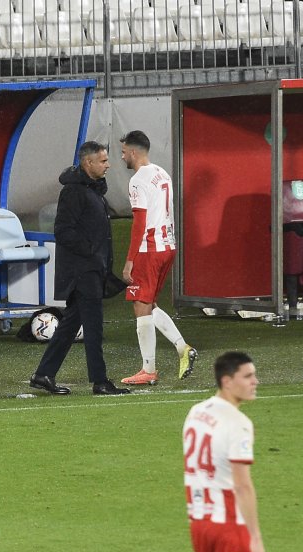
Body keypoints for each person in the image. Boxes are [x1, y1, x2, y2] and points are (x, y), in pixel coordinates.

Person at [181, 351, 264, 552]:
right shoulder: (238, 424)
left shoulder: (196, 412)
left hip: (199, 523)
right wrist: (255, 538)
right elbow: (242, 486)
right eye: (247, 376)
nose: (255, 381)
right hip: (228, 526)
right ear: (227, 381)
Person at [29, 141, 130, 396]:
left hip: (91, 269)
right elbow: (63, 231)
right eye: (103, 161)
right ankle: (100, 382)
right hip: (83, 271)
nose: (108, 165)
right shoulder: (75, 192)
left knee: (69, 325)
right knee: (94, 328)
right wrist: (91, 252)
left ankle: (44, 374)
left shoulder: (92, 190)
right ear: (88, 163)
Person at [116, 130, 198, 386]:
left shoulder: (138, 180)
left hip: (148, 250)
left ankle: (148, 370)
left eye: (123, 152)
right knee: (148, 303)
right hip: (167, 246)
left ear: (133, 151)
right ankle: (182, 348)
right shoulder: (162, 173)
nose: (122, 158)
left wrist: (130, 259)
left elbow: (139, 221)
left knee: (141, 305)